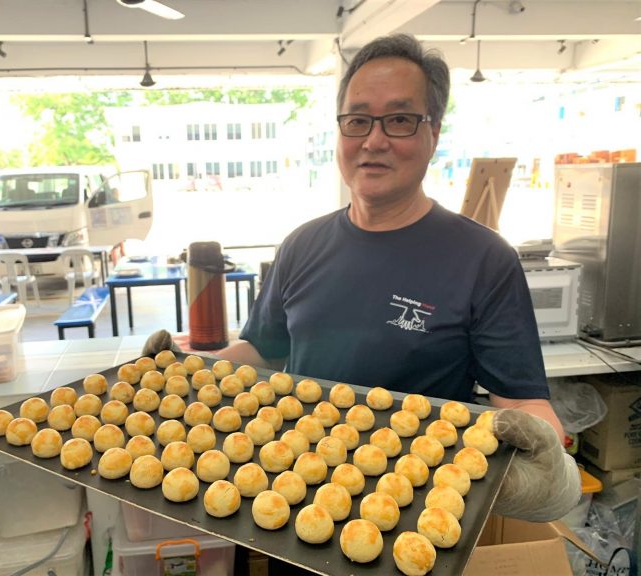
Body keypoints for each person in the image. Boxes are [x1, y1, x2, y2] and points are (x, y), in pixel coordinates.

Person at [145, 33, 580, 522]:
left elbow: (520, 402)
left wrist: (551, 468)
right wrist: (186, 374)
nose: (373, 140)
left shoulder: (482, 258)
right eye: (357, 120)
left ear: (432, 134)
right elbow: (264, 351)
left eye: (398, 120)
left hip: (417, 518)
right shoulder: (301, 245)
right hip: (292, 501)